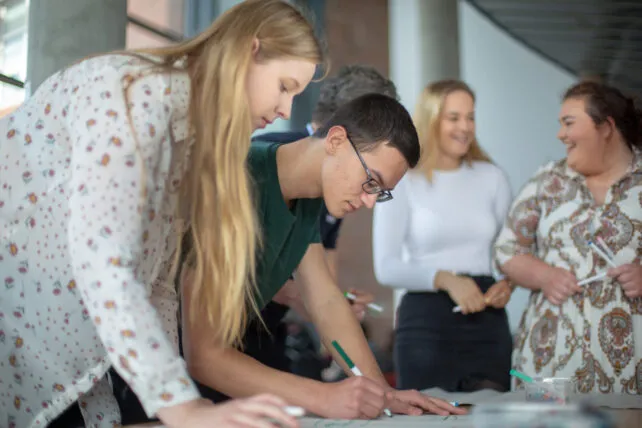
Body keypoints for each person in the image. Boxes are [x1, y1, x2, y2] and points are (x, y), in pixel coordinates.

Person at [0, 1, 325, 426]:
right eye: (284, 86)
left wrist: (167, 404)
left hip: (63, 363)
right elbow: (103, 260)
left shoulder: (187, 141)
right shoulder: (131, 92)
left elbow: (156, 286)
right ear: (250, 50)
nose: (286, 110)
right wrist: (182, 408)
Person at [183, 94, 467, 419]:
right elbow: (203, 355)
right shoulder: (238, 177)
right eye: (370, 181)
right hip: (149, 375)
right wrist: (322, 397)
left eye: (380, 191)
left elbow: (326, 301)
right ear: (335, 140)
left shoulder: (308, 198)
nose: (369, 202)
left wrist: (382, 394)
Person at [240, 64, 398, 382]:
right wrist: (307, 298)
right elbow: (244, 271)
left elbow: (322, 283)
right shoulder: (274, 158)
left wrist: (337, 310)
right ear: (344, 130)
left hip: (269, 327)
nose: (368, 201)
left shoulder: (338, 184)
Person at [494, 81, 642, 393]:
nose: (561, 134)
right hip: (551, 365)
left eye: (569, 123)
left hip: (633, 373)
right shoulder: (548, 180)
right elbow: (507, 249)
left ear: (606, 127)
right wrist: (545, 275)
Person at [372, 80, 514, 392]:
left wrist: (509, 284)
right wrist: (446, 279)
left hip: (486, 319)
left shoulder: (493, 178)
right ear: (431, 119)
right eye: (454, 117)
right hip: (425, 323)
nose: (465, 127)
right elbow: (386, 267)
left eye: (471, 117)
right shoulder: (403, 181)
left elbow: (511, 253)